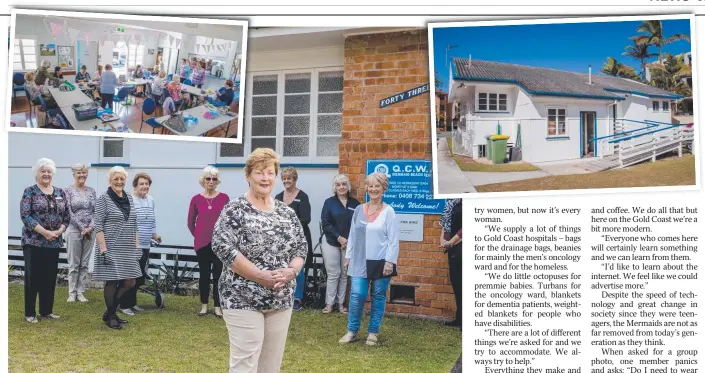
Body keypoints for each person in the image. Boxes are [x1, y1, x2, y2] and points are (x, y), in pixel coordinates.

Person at [212, 148, 307, 373]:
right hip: (242, 297)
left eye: (270, 172)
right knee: (245, 363)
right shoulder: (235, 209)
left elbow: (301, 247)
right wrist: (260, 276)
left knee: (270, 366)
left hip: (281, 299)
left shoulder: (287, 213)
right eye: (259, 172)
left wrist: (291, 271)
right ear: (248, 176)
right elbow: (222, 246)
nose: (265, 178)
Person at [339, 172, 399, 347]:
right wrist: (348, 255)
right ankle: (352, 330)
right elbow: (352, 234)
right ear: (366, 188)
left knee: (378, 296)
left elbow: (393, 240)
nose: (373, 189)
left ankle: (373, 333)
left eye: (377, 186)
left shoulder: (389, 212)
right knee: (357, 295)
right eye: (370, 186)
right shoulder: (359, 209)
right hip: (358, 260)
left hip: (380, 261)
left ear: (383, 189)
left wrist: (390, 262)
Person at [20, 158, 70, 323]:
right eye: (43, 171)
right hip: (33, 241)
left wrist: (59, 231)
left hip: (54, 242)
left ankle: (46, 311)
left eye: (49, 171)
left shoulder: (60, 193)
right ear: (37, 173)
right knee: (33, 278)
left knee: (49, 278)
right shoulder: (30, 191)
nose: (46, 174)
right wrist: (45, 232)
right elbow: (25, 216)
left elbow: (66, 217)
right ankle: (30, 313)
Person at [93, 166, 142, 329]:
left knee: (130, 281)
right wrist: (103, 249)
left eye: (122, 179)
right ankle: (112, 316)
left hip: (128, 247)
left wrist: (137, 246)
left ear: (126, 180)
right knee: (112, 281)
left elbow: (134, 223)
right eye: (116, 179)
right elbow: (98, 226)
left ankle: (110, 311)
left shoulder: (129, 197)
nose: (119, 182)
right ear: (110, 180)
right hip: (110, 246)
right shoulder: (103, 199)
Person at [188, 166, 230, 317]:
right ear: (203, 180)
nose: (211, 181)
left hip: (219, 244)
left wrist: (223, 238)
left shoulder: (224, 198)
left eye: (214, 179)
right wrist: (199, 236)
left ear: (217, 181)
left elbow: (228, 221)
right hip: (202, 245)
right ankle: (204, 305)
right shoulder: (196, 199)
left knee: (218, 275)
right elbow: (190, 222)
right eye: (208, 178)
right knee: (204, 275)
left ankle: (218, 306)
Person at [119, 173, 161, 316]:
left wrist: (155, 235)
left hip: (145, 244)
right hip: (132, 244)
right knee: (129, 276)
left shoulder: (151, 200)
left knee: (139, 276)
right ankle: (124, 305)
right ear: (135, 185)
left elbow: (152, 219)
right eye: (141, 184)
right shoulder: (129, 200)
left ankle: (132, 303)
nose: (144, 186)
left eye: (147, 184)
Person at [320, 173, 360, 314]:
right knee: (334, 273)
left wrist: (348, 240)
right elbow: (326, 224)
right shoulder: (329, 203)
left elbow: (358, 225)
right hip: (331, 242)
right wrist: (339, 237)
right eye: (338, 185)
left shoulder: (355, 204)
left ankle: (341, 304)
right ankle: (329, 304)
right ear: (334, 187)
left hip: (348, 244)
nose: (341, 187)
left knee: (344, 274)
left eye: (344, 184)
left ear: (348, 186)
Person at [274, 167, 312, 312]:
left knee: (298, 269)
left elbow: (306, 219)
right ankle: (283, 296)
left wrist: (287, 226)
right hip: (281, 240)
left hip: (299, 239)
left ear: (295, 179)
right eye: (284, 178)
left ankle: (297, 298)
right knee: (282, 267)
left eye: (289, 178)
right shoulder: (277, 197)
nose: (286, 181)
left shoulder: (303, 196)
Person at [65, 163, 97, 303]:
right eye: (79, 173)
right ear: (73, 174)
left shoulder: (91, 191)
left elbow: (96, 211)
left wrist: (90, 227)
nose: (82, 175)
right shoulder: (67, 191)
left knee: (84, 263)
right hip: (74, 229)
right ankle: (72, 293)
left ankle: (80, 292)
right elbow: (68, 211)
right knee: (74, 263)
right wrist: (81, 227)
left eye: (84, 172)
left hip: (90, 231)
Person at [440, 199, 462, 328]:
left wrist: (451, 242)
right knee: (457, 283)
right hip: (452, 249)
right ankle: (459, 319)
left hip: (461, 246)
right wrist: (443, 240)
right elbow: (444, 224)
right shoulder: (451, 202)